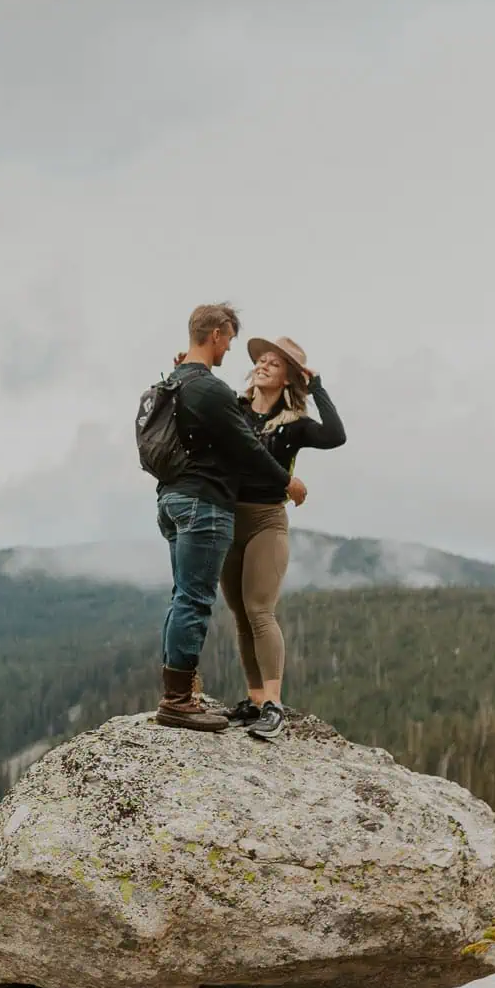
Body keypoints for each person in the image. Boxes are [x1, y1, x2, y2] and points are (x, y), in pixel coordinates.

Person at [155, 303, 294, 731]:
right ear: (215, 334)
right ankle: (179, 700)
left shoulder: (171, 383)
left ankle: (178, 693)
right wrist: (287, 483)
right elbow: (247, 447)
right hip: (204, 504)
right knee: (195, 600)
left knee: (183, 596)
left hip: (171, 499)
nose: (230, 349)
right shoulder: (210, 389)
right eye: (230, 339)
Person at [221, 335, 347, 741]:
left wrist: (318, 387)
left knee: (259, 610)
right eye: (261, 361)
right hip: (227, 519)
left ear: (290, 378)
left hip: (265, 522)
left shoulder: (295, 426)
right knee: (240, 616)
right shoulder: (233, 411)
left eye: (274, 364)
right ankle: (255, 700)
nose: (263, 366)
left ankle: (273, 705)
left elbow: (336, 435)